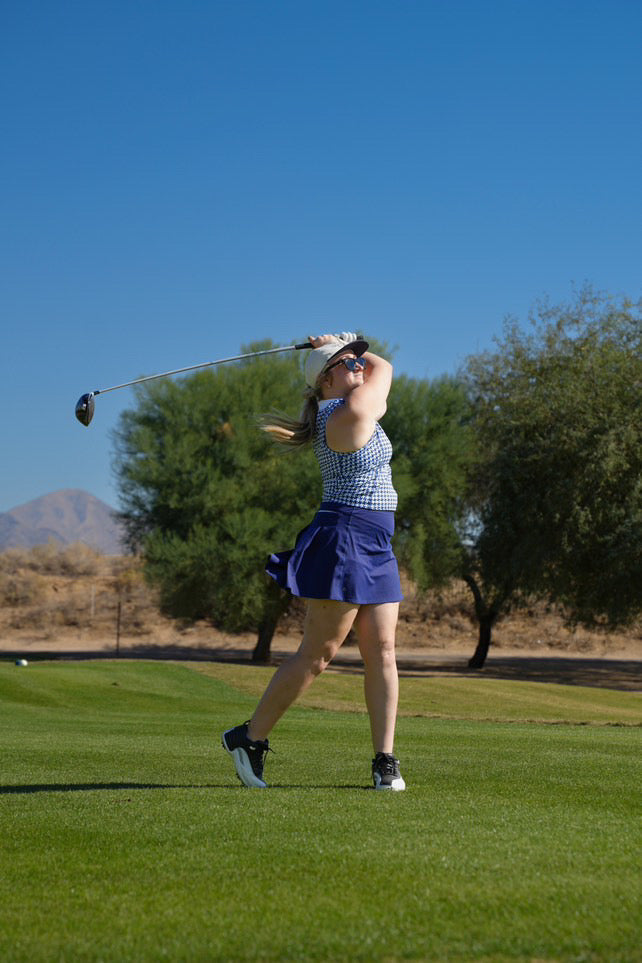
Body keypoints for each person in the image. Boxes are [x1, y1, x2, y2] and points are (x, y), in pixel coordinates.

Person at [222, 331, 405, 790]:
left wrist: (348, 345)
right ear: (326, 381)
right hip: (344, 536)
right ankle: (249, 737)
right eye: (348, 364)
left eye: (357, 362)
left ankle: (385, 760)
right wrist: (356, 339)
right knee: (318, 655)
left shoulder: (349, 402)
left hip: (376, 539)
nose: (360, 366)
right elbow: (387, 370)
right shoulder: (346, 416)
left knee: (382, 651)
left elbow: (376, 370)